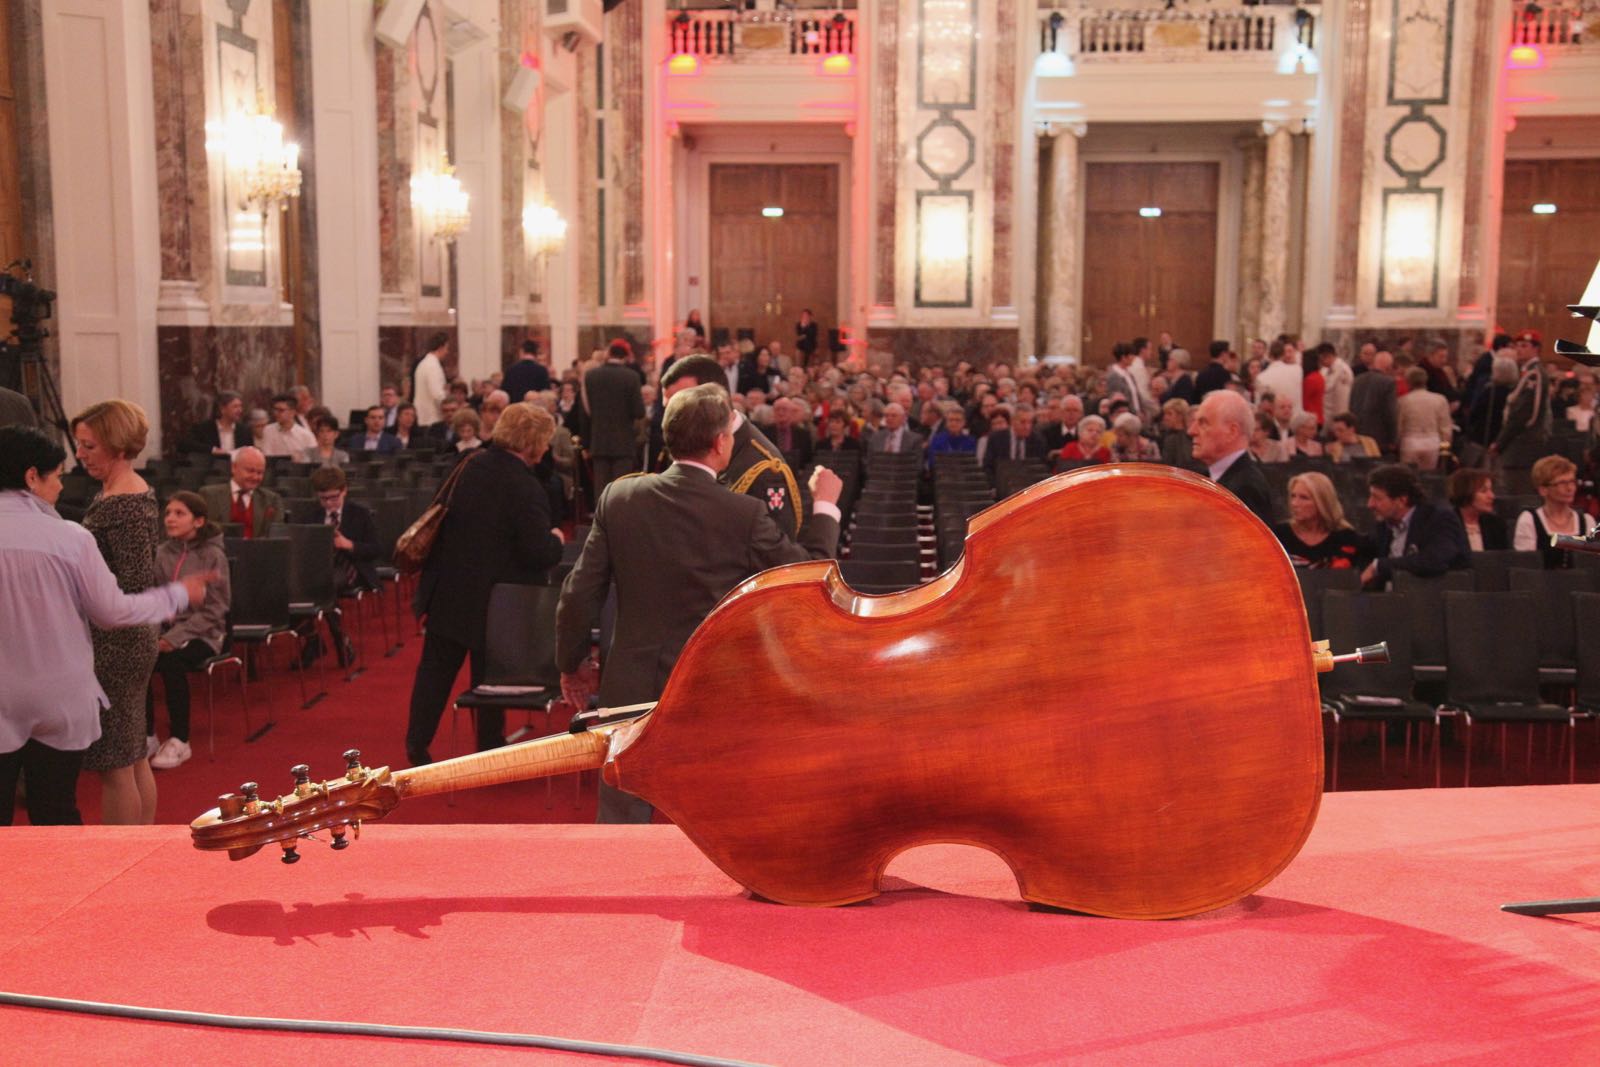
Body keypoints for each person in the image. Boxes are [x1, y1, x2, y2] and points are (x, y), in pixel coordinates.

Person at [555, 384, 844, 824]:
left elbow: (579, 593)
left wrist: (572, 661)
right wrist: (825, 506)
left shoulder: (621, 498)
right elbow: (807, 576)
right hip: (712, 687)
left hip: (632, 683)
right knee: (716, 816)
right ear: (719, 443)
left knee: (621, 822)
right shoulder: (742, 514)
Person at [0, 426, 210, 826]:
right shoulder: (69, 538)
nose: (62, 485)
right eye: (57, 474)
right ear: (31, 477)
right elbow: (112, 612)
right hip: (57, 697)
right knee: (56, 812)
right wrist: (176, 595)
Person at [405, 403, 566, 765]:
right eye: (544, 441)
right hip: (496, 600)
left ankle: (417, 743)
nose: (546, 448)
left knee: (435, 672)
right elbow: (537, 551)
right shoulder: (525, 486)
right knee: (489, 677)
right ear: (532, 442)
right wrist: (555, 538)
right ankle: (489, 746)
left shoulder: (468, 465)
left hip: (448, 589)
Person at [71, 400, 165, 824]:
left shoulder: (122, 502)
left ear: (116, 445)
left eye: (89, 445)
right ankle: (139, 850)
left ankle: (121, 856)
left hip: (118, 640)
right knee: (131, 754)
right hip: (125, 634)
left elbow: (134, 579)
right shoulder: (122, 492)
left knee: (115, 764)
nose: (80, 454)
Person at [660, 354, 806, 538]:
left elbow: (776, 554)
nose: (673, 416)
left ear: (715, 399)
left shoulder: (764, 469)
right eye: (669, 407)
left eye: (683, 404)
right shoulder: (686, 438)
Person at [147, 491, 231, 770]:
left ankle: (180, 740)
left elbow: (216, 609)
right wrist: (155, 635)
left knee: (171, 661)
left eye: (179, 513)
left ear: (198, 521)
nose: (170, 518)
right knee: (140, 656)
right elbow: (156, 598)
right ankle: (146, 734)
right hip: (168, 631)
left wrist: (174, 638)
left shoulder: (212, 555)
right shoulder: (162, 552)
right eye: (168, 512)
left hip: (205, 633)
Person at [1361, 463, 1471, 588]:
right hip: (1391, 602)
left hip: (1435, 601)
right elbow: (1364, 550)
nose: (1370, 504)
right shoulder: (1384, 525)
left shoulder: (1438, 519)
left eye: (1377, 498)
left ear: (1402, 500)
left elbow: (1434, 560)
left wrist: (1379, 566)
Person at [1189, 389, 1273, 525]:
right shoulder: (1208, 477)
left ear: (1232, 432)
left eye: (1203, 423)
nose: (1191, 431)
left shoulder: (1245, 489)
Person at [585, 340, 648, 502]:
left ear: (608, 353)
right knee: (621, 489)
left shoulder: (591, 376)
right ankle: (619, 525)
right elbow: (639, 411)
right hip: (623, 441)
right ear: (626, 356)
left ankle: (601, 524)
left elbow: (586, 411)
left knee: (601, 490)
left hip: (599, 440)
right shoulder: (631, 377)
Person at [1273, 473, 1371, 570]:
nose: (1294, 503)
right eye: (1293, 496)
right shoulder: (1279, 536)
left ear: (1322, 502)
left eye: (1304, 498)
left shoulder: (1346, 537)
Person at [1513, 454, 1594, 568]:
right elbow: (1526, 568)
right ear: (1543, 490)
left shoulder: (1586, 521)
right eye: (1562, 483)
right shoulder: (1529, 520)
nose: (1570, 488)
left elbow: (1591, 566)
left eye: (1572, 482)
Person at [1490, 330, 1552, 470]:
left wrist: (1501, 442)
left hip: (1524, 440)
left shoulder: (1534, 374)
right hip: (1519, 439)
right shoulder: (1526, 371)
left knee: (1517, 483)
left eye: (1524, 346)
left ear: (1536, 349)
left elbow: (1524, 413)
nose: (1519, 349)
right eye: (1517, 345)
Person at [198, 447, 282, 539]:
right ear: (234, 467)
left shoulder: (271, 500)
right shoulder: (209, 495)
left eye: (260, 473)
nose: (255, 477)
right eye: (250, 471)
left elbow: (272, 538)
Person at [1396, 366, 1451, 470]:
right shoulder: (1440, 399)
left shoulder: (1403, 401)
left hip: (1410, 442)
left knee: (1409, 475)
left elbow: (1399, 425)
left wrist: (1397, 442)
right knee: (1428, 476)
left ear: (1408, 382)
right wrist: (1445, 446)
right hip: (1432, 442)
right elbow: (1445, 427)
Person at [1348, 350, 1398, 453]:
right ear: (1388, 367)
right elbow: (1390, 412)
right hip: (1380, 437)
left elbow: (1351, 406)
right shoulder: (1388, 382)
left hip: (1358, 433)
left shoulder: (1357, 380)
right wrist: (1393, 438)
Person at [1448, 467, 1508, 551]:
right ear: (1466, 493)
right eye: (1484, 491)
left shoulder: (1496, 525)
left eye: (1491, 490)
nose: (1492, 496)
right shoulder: (1446, 525)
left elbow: (1504, 560)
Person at [180, 391, 251, 456]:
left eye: (240, 406)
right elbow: (185, 445)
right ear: (222, 409)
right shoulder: (204, 428)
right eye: (235, 406)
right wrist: (214, 450)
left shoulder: (244, 431)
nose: (240, 410)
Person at [259, 392, 317, 457]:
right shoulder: (268, 430)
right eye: (275, 409)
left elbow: (313, 460)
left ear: (292, 412)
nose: (276, 413)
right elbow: (266, 456)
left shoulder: (306, 436)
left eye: (281, 410)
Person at [413, 332, 450, 426]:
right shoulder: (432, 366)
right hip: (431, 418)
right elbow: (437, 394)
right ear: (441, 347)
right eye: (446, 348)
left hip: (424, 417)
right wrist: (447, 398)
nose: (447, 352)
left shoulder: (425, 363)